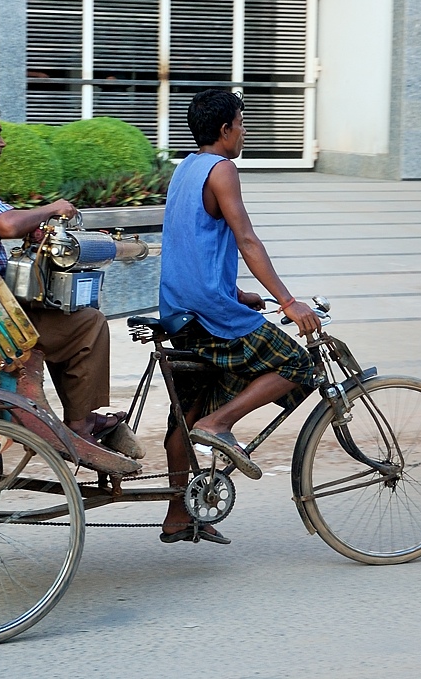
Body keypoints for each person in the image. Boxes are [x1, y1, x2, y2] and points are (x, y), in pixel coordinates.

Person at [157, 89, 321, 544]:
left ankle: (177, 515)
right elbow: (246, 239)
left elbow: (192, 244)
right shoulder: (222, 169)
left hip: (180, 310)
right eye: (242, 123)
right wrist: (288, 302)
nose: (244, 131)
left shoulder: (185, 168)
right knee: (298, 364)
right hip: (209, 315)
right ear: (226, 129)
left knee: (184, 415)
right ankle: (220, 424)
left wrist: (236, 291)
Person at [0, 101, 123, 445]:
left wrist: (32, 226)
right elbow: (6, 224)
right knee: (88, 323)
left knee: (58, 314)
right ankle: (82, 424)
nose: (2, 142)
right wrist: (52, 208)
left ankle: (76, 416)